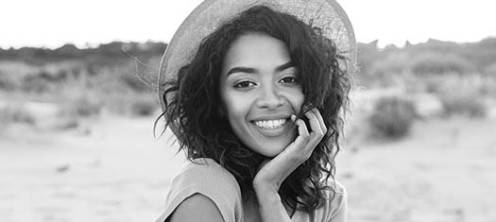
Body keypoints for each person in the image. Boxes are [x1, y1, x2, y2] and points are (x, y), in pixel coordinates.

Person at [155, 0, 356, 221]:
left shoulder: (329, 200)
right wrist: (268, 189)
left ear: (314, 92)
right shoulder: (204, 188)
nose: (270, 101)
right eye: (244, 84)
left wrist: (268, 190)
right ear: (219, 103)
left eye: (288, 79)